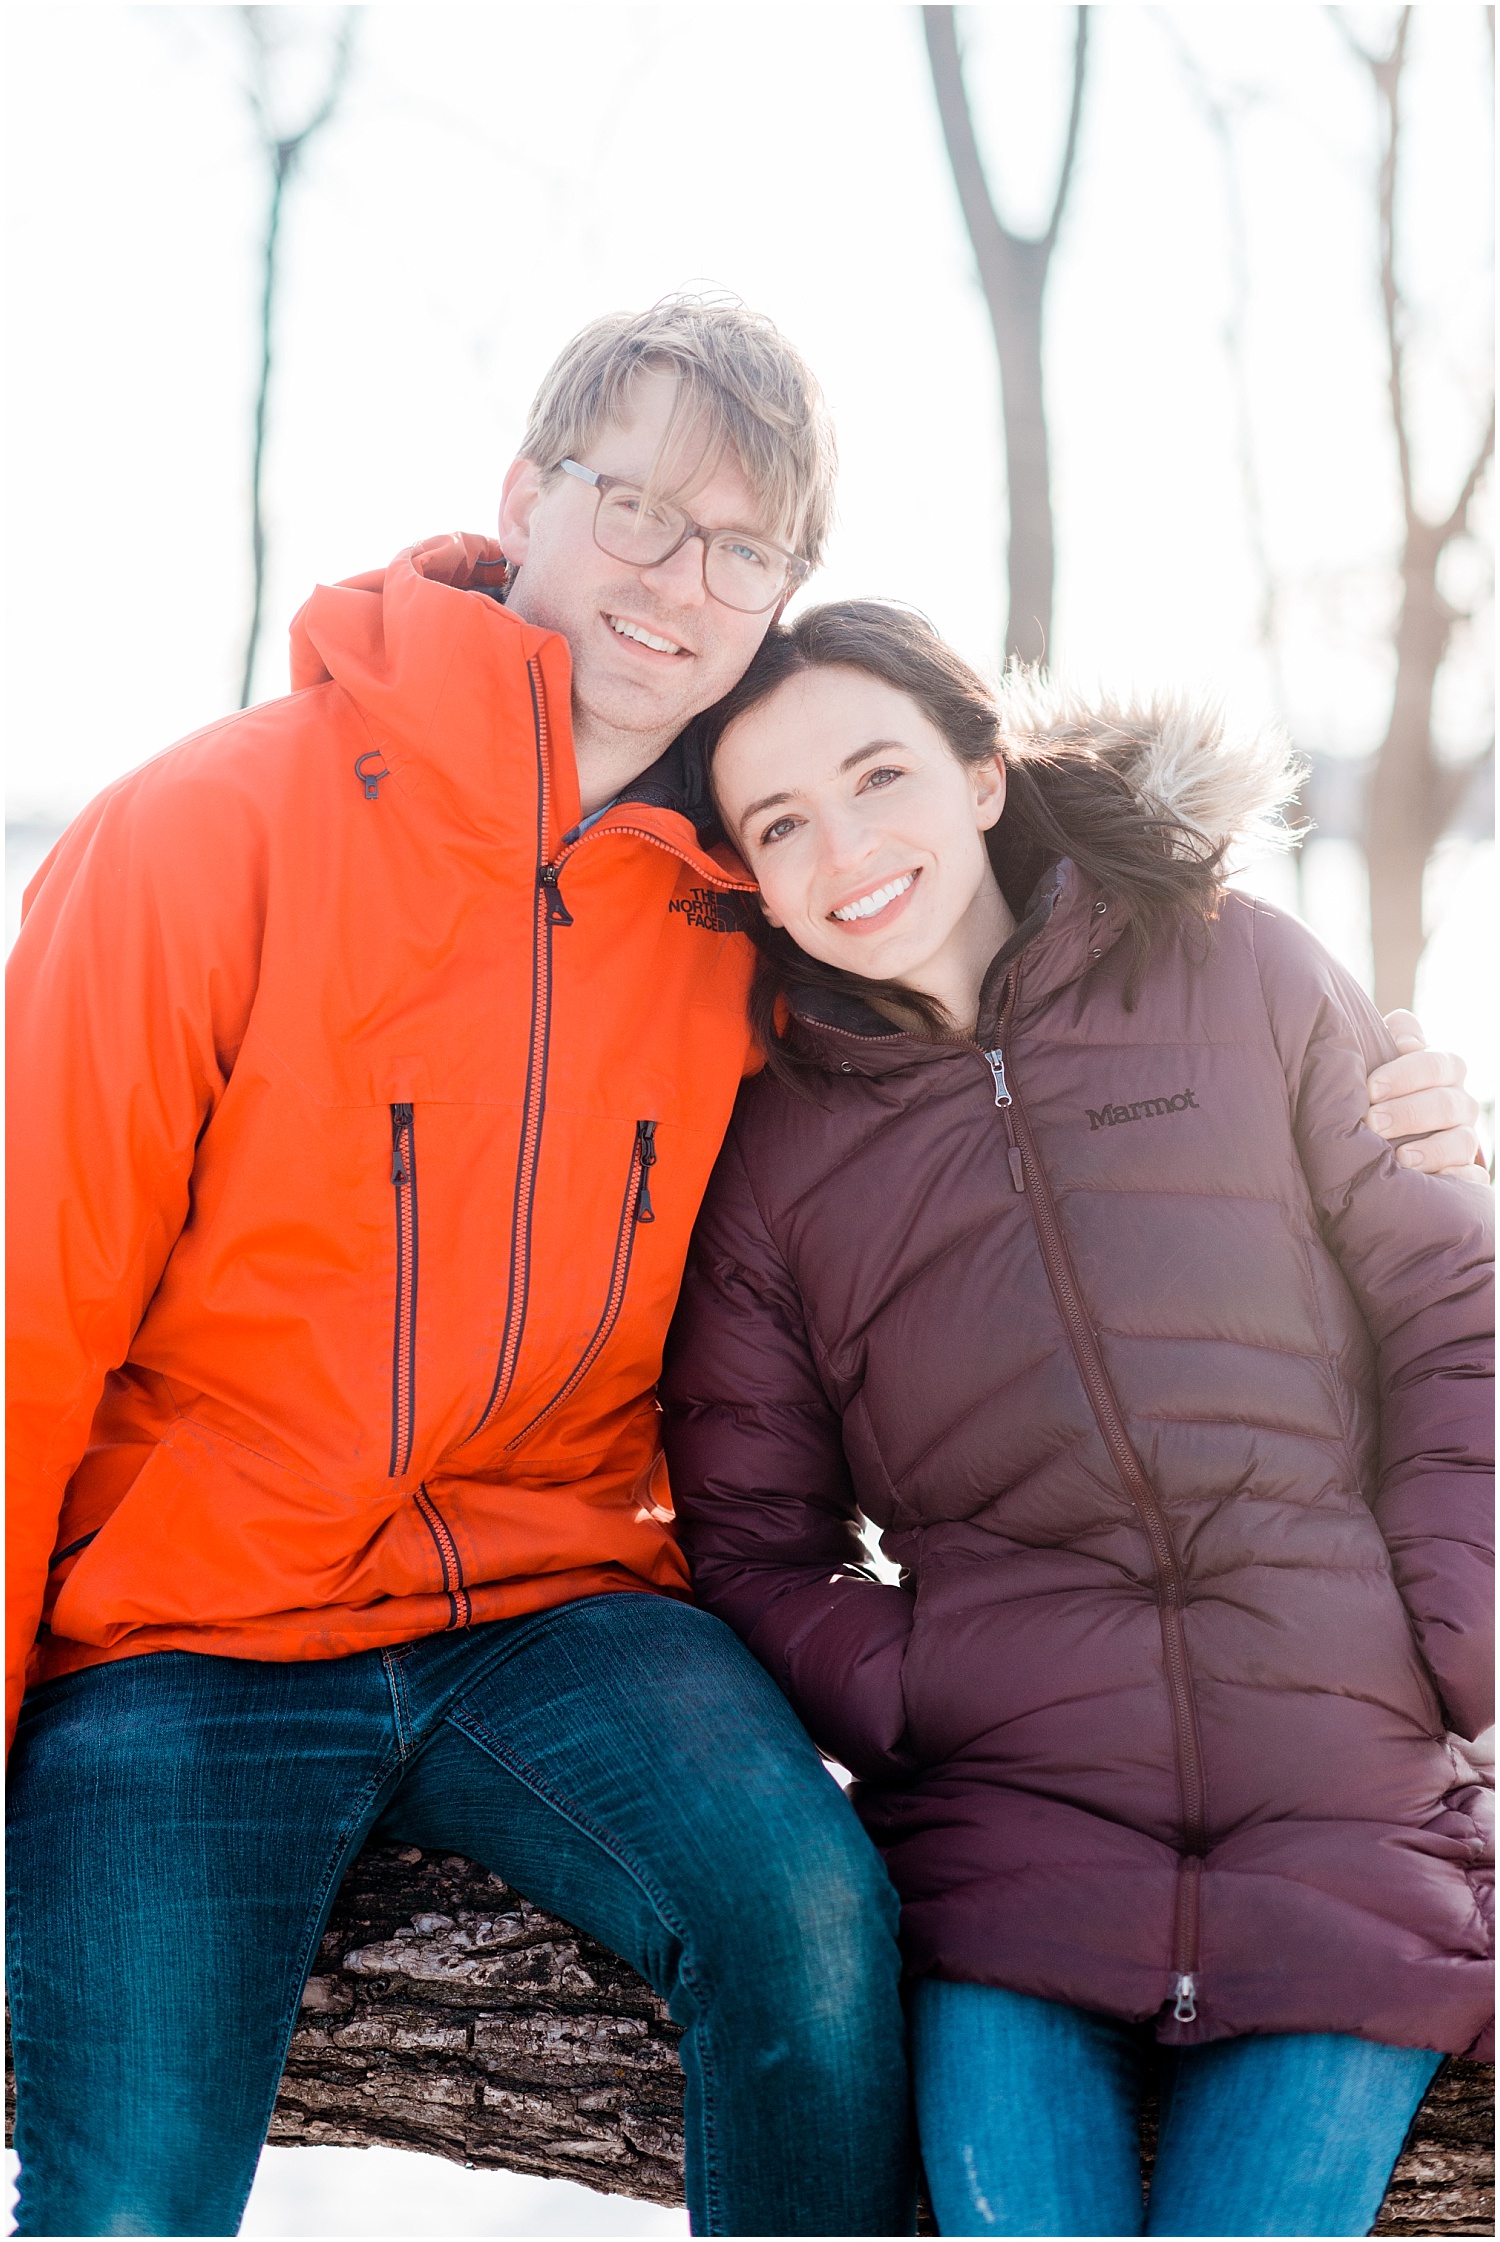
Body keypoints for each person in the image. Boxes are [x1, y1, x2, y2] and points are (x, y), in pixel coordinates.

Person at [4, 298, 1481, 2239]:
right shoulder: (208, 834)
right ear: (525, 497)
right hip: (199, 1622)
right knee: (121, 2194)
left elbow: (1064, 1040)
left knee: (807, 1918)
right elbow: (29, 1303)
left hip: (557, 1605)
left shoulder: (743, 920)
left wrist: (1418, 1124)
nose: (680, 580)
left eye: (746, 545)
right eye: (637, 509)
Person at [661, 600, 1494, 2239]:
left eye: (879, 773)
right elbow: (755, 1544)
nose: (847, 847)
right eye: (781, 821)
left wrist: (1446, 1629)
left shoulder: (1237, 966)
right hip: (1009, 1853)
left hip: (1345, 1811)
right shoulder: (773, 1159)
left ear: (981, 772)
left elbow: (1448, 1305)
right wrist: (934, 1685)